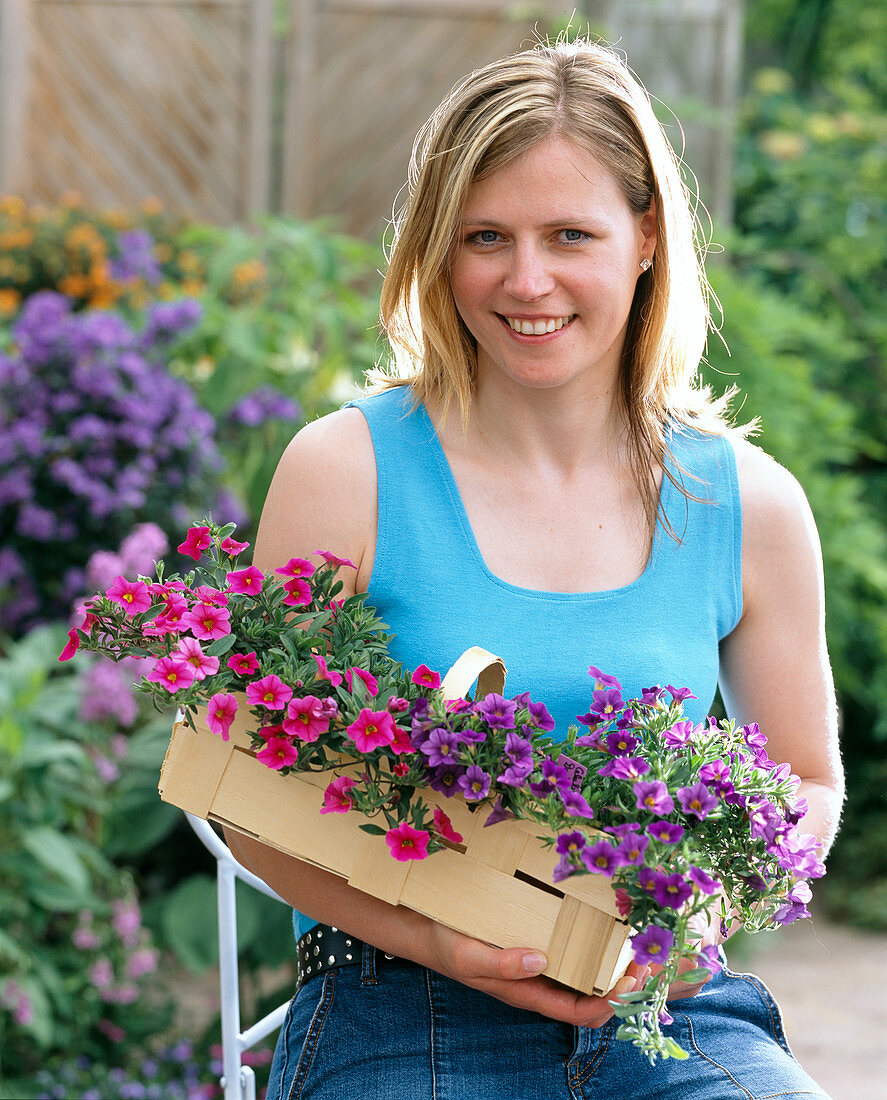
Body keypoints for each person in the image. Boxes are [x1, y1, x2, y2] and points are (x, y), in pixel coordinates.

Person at [224, 39, 844, 1099]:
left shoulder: (744, 501)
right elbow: (245, 794)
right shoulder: (347, 470)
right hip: (399, 997)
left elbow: (805, 781)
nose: (526, 280)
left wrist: (702, 904)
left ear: (645, 237)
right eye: (484, 237)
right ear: (435, 248)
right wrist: (436, 933)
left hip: (663, 1009)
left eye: (569, 234)